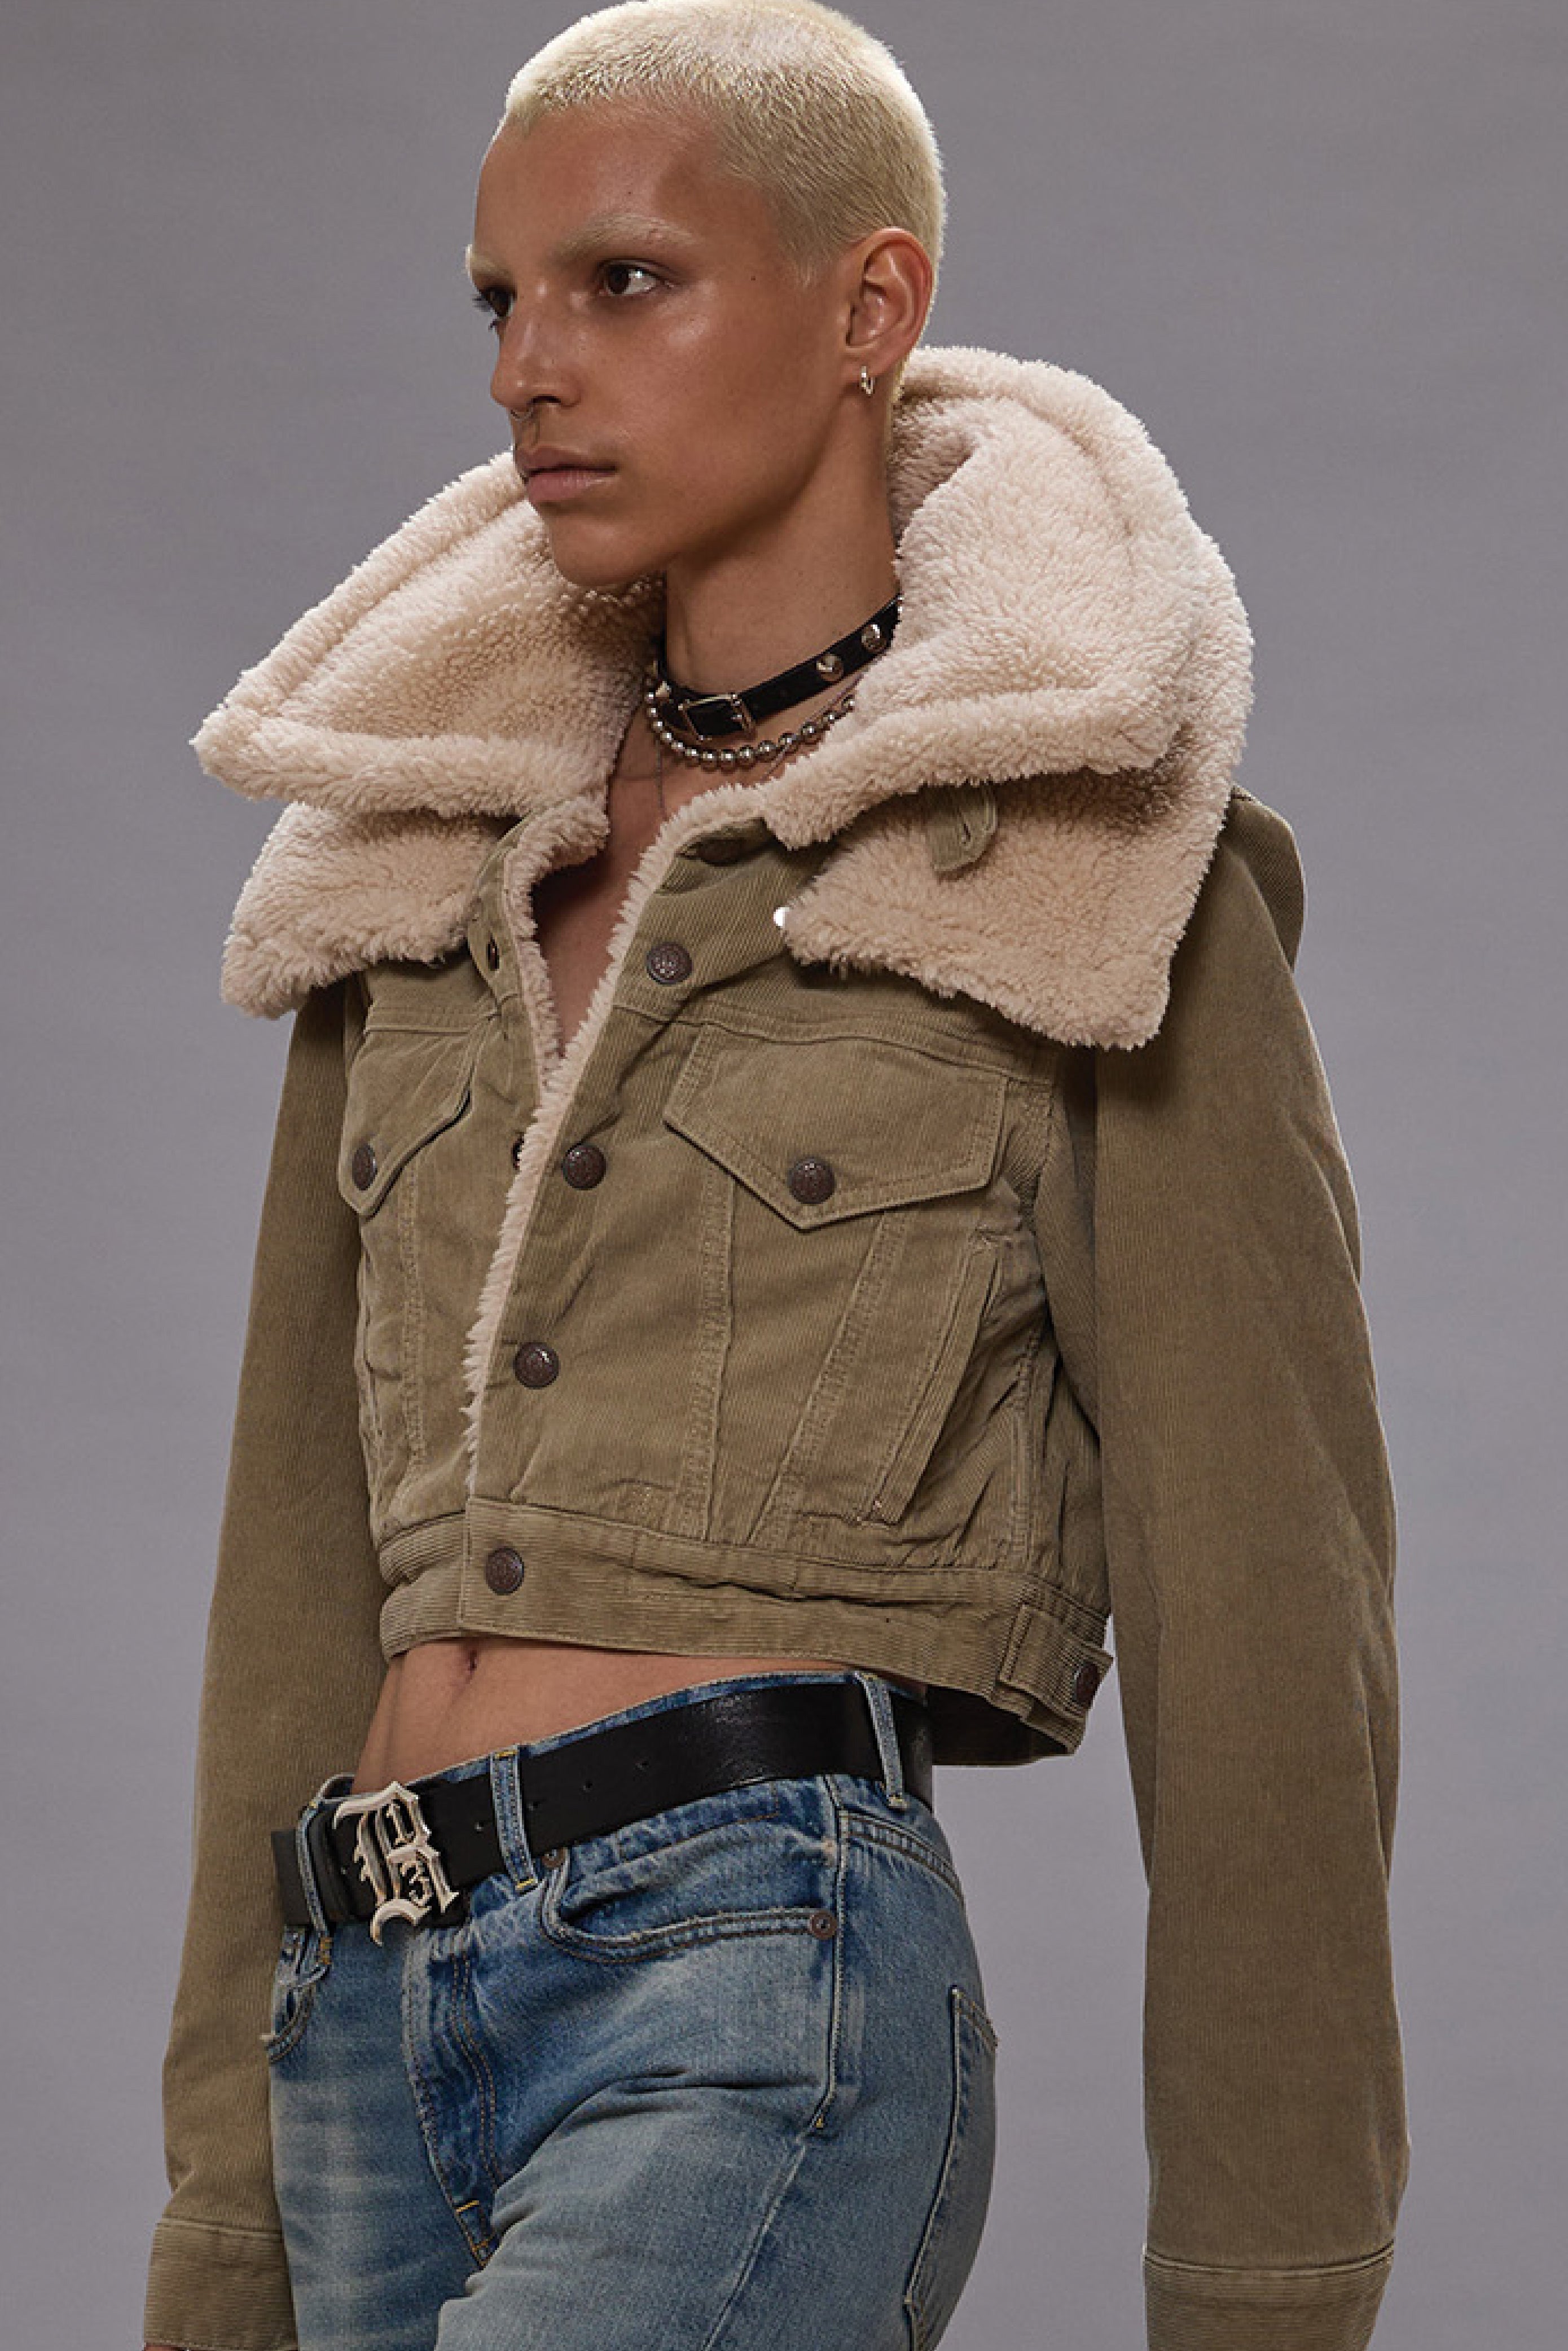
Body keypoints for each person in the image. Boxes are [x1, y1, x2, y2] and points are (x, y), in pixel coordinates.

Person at [142, 4, 1409, 2347]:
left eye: (623, 281)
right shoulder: (412, 863)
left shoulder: (1085, 864)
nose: (529, 366)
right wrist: (223, 2220)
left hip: (743, 1995)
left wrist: (1264, 2290)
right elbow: (292, 1575)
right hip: (353, 2018)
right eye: (500, 297)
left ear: (868, 308)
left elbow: (1264, 1626)